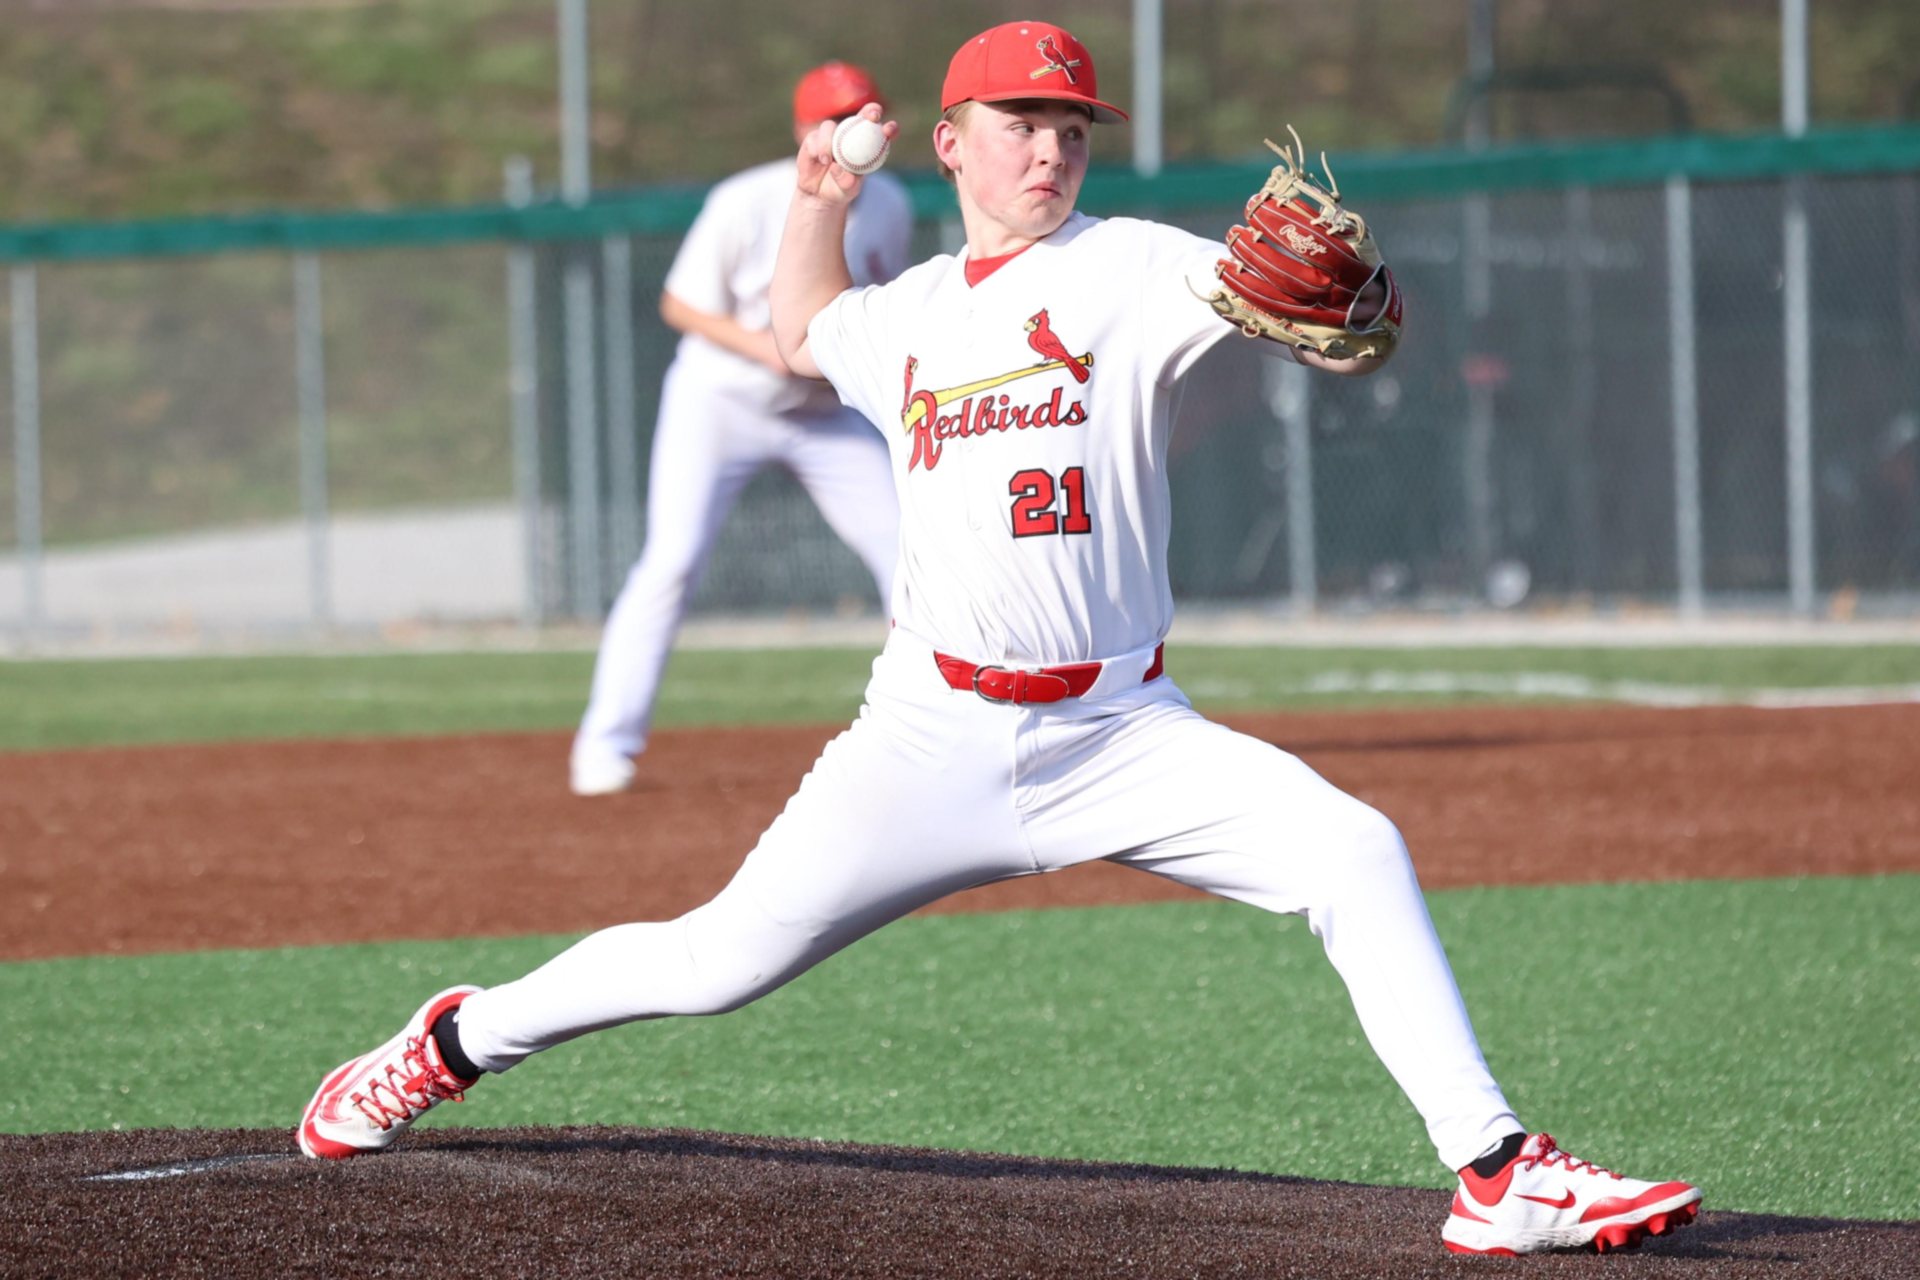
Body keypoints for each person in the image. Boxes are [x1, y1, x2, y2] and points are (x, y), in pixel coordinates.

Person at [299, 21, 1700, 1257]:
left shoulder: (1141, 269)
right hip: (929, 736)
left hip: (1124, 732)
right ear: (956, 145)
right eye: (1025, 123)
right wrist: (818, 197)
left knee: (1353, 847)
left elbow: (1316, 319)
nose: (1053, 149)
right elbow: (797, 332)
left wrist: (1365, 315)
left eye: (1073, 125)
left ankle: (1499, 1172)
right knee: (712, 964)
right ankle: (449, 1044)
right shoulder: (903, 316)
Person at [568, 61, 914, 797]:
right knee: (672, 562)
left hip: (824, 417)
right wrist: (773, 349)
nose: (854, 127)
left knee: (911, 558)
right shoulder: (746, 200)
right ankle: (605, 745)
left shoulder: (891, 203)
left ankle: (924, 736)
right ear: (801, 129)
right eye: (835, 116)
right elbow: (681, 305)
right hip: (722, 403)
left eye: (863, 112)